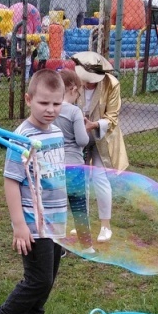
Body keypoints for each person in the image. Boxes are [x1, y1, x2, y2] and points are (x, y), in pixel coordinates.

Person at [0, 69, 68, 314]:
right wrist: (19, 226)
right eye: (44, 103)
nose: (50, 110)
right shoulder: (22, 137)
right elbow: (11, 181)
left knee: (50, 276)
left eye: (56, 104)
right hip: (33, 221)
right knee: (38, 279)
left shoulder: (56, 132)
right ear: (29, 99)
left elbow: (55, 177)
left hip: (56, 220)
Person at [71, 51, 129, 243]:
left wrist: (94, 125)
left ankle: (105, 227)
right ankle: (82, 223)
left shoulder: (111, 84)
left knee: (99, 177)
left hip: (102, 137)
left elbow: (112, 116)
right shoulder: (73, 80)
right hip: (78, 136)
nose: (88, 84)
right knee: (80, 179)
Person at [55, 69, 94, 252]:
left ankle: (58, 246)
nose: (79, 96)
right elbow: (82, 140)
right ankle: (86, 246)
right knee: (78, 204)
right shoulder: (75, 111)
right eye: (79, 91)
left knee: (58, 206)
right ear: (72, 88)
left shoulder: (50, 108)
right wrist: (85, 129)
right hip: (75, 166)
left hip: (54, 165)